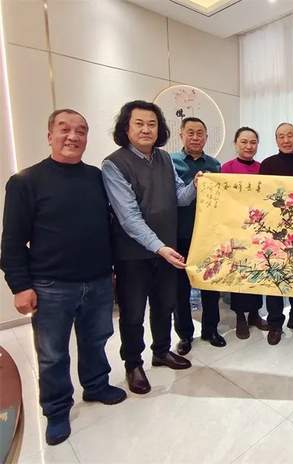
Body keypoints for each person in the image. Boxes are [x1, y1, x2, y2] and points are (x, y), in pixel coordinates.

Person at [0, 109, 126, 446]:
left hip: (98, 280)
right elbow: (11, 241)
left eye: (80, 130)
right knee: (53, 353)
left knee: (96, 339)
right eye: (64, 129)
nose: (73, 136)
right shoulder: (26, 181)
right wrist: (20, 286)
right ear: (49, 135)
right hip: (51, 285)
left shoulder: (96, 178)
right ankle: (56, 409)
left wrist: (112, 270)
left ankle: (96, 385)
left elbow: (108, 228)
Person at [102, 100, 196, 395]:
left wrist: (196, 184)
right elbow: (129, 218)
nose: (146, 129)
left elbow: (180, 197)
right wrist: (159, 247)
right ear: (126, 128)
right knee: (132, 313)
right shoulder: (114, 164)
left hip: (167, 250)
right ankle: (133, 364)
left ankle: (162, 351)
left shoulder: (165, 159)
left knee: (164, 304)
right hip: (133, 255)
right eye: (139, 124)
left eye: (152, 124)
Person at [171, 117, 226, 355]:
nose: (195, 137)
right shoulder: (170, 162)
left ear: (206, 137)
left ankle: (211, 330)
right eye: (190, 132)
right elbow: (174, 198)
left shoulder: (215, 164)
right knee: (180, 289)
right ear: (181, 135)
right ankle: (184, 335)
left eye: (200, 133)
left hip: (208, 235)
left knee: (210, 285)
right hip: (180, 234)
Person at [258, 122, 293, 345]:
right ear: (276, 140)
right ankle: (275, 323)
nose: (286, 140)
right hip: (274, 230)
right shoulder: (267, 164)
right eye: (281, 136)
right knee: (275, 277)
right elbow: (263, 196)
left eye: (290, 135)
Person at [220, 127, 269, 339]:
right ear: (235, 143)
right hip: (236, 228)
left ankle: (255, 315)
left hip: (258, 230)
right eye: (244, 142)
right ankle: (240, 316)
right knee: (239, 273)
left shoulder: (263, 168)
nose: (249, 146)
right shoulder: (226, 168)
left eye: (253, 142)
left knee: (258, 271)